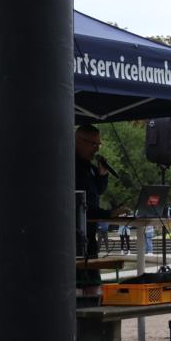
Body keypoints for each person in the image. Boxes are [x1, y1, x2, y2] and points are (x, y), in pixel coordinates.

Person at [75, 124, 111, 294]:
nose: (96, 149)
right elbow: (83, 203)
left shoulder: (88, 166)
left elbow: (96, 192)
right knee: (79, 284)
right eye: (93, 144)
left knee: (93, 284)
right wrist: (109, 214)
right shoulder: (71, 167)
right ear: (79, 141)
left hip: (88, 234)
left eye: (99, 145)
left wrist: (103, 176)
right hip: (74, 236)